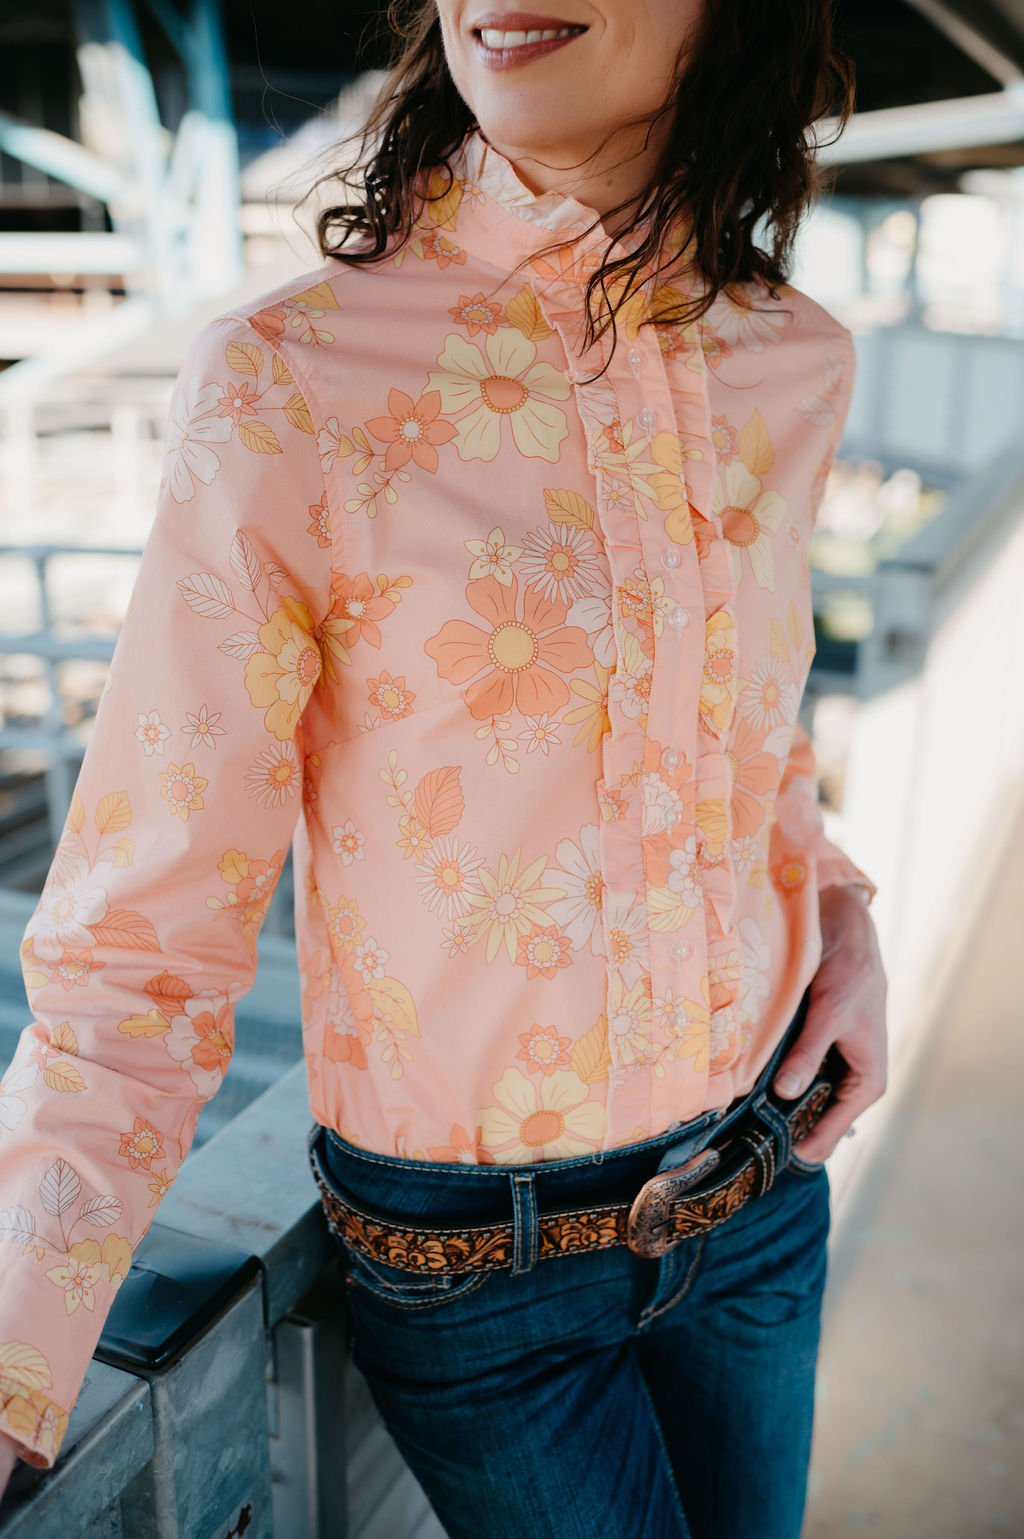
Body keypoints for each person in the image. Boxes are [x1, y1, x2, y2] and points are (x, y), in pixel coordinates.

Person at [0, 0, 888, 1532]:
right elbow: (145, 919)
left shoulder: (790, 359)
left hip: (760, 1195)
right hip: (481, 1277)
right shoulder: (294, 380)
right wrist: (15, 1336)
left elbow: (765, 735)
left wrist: (845, 918)